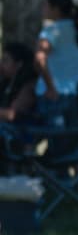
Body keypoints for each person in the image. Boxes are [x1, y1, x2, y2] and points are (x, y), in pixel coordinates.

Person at [34, 0, 78, 118]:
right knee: (74, 135)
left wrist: (50, 87)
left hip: (54, 93)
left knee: (55, 135)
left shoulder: (51, 31)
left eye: (45, 5)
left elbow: (40, 58)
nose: (42, 8)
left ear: (55, 8)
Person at [0, 43, 40, 171]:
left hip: (21, 133)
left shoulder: (29, 85)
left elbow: (12, 114)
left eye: (6, 60)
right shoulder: (6, 83)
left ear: (19, 64)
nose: (1, 65)